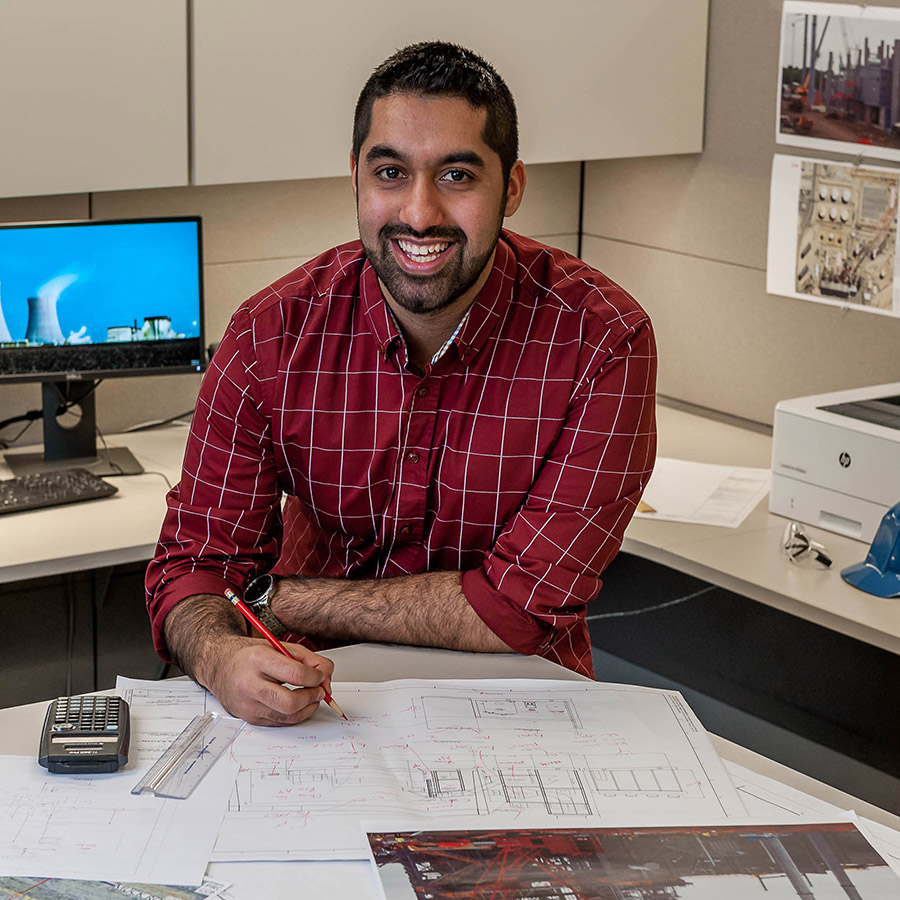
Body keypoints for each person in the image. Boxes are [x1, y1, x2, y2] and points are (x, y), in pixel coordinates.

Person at [145, 41, 657, 727]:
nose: (419, 214)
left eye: (456, 175)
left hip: (519, 710)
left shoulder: (601, 341)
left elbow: (522, 607)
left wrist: (276, 598)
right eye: (391, 172)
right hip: (318, 707)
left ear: (512, 187)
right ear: (356, 177)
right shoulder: (272, 334)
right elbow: (195, 562)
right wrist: (218, 656)